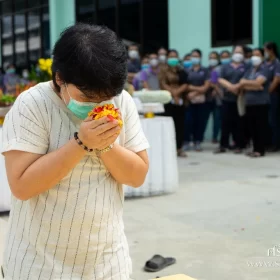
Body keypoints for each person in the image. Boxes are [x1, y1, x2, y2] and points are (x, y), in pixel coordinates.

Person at [1, 23, 149, 280]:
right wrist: (81, 143)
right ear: (60, 78)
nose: (98, 105)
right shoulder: (33, 104)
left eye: (105, 97)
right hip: (39, 266)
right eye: (88, 96)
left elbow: (136, 176)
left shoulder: (120, 101)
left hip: (106, 263)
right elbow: (22, 186)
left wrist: (106, 144)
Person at [239, 48, 270, 157]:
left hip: (261, 102)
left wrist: (249, 84)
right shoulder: (250, 70)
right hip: (249, 102)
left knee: (260, 127)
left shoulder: (265, 69)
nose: (254, 57)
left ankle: (260, 150)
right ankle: (254, 148)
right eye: (253, 55)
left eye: (257, 55)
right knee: (251, 127)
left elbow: (259, 83)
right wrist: (254, 85)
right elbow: (243, 83)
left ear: (262, 56)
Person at [159, 49, 188, 157]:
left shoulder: (181, 71)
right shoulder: (163, 71)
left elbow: (185, 84)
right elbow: (163, 84)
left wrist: (177, 94)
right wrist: (174, 94)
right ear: (167, 58)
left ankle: (179, 148)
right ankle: (168, 149)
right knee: (168, 125)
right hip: (168, 102)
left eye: (175, 56)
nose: (173, 59)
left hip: (180, 102)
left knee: (180, 125)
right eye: (171, 56)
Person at [184, 49, 210, 151]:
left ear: (200, 57)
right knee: (188, 121)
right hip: (189, 100)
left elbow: (206, 87)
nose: (195, 58)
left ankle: (198, 141)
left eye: (196, 56)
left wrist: (194, 91)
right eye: (193, 56)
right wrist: (197, 90)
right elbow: (185, 85)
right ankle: (186, 141)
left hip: (201, 101)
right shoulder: (186, 70)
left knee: (200, 122)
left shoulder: (205, 70)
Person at [263, 42, 280, 151]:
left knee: (273, 120)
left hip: (273, 95)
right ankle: (267, 142)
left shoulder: (277, 62)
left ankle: (276, 143)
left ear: (271, 50)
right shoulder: (265, 63)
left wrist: (267, 92)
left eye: (265, 50)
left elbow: (277, 80)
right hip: (263, 97)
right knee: (266, 120)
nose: (264, 52)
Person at [206, 51, 223, 143]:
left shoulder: (220, 69)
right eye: (210, 58)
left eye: (214, 58)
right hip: (207, 98)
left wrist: (216, 89)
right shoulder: (206, 69)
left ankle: (215, 137)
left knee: (217, 119)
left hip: (218, 98)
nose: (212, 60)